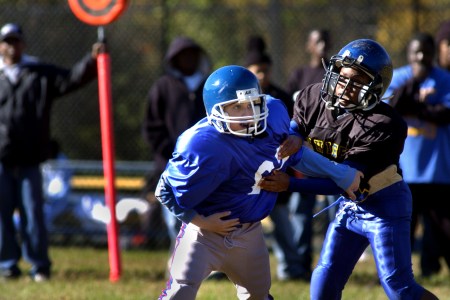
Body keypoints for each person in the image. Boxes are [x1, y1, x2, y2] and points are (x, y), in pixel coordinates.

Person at [155, 65, 363, 300]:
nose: (248, 113)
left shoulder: (273, 118)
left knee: (258, 295)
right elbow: (164, 191)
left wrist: (340, 174)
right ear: (215, 112)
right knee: (179, 291)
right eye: (237, 107)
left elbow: (297, 157)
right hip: (203, 235)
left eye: (252, 104)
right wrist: (198, 220)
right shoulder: (200, 144)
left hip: (249, 233)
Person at [259, 39, 439, 299]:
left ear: (375, 87)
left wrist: (290, 184)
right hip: (350, 206)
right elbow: (297, 125)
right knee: (324, 280)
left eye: (357, 81)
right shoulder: (313, 95)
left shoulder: (384, 123)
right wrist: (295, 133)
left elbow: (344, 181)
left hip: (384, 206)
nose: (344, 86)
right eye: (342, 77)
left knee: (398, 287)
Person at [0, 22, 104, 282]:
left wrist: (93, 60)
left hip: (30, 160)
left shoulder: (38, 73)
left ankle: (39, 266)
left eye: (16, 41)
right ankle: (7, 265)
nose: (12, 47)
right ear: (1, 45)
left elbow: (71, 79)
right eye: (7, 41)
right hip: (1, 160)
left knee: (33, 214)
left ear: (23, 44)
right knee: (1, 216)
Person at [384, 32, 450, 278]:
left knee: (442, 228)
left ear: (434, 54)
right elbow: (389, 108)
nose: (421, 57)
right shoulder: (398, 78)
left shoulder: (444, 79)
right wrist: (413, 86)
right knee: (403, 228)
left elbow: (444, 114)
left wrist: (416, 106)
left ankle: (430, 269)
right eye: (416, 52)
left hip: (436, 170)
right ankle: (400, 273)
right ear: (408, 54)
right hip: (404, 170)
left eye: (426, 52)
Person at [244, 35, 309, 281]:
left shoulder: (279, 99)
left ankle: (291, 268)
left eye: (265, 70)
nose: (262, 76)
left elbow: (293, 133)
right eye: (256, 71)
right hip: (246, 175)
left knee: (283, 224)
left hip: (276, 172)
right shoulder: (240, 103)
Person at [142, 36, 212, 263]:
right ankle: (181, 261)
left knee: (205, 214)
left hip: (206, 166)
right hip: (171, 167)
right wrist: (170, 153)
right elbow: (151, 128)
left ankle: (207, 262)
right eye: (183, 55)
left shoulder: (210, 85)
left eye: (193, 54)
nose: (189, 59)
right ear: (174, 59)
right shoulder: (163, 86)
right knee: (175, 217)